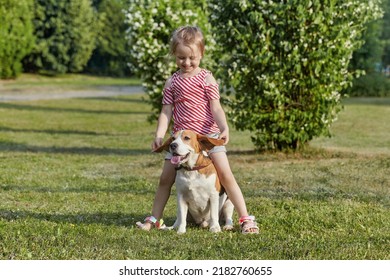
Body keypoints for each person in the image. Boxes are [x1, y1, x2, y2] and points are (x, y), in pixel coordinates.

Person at [136, 26, 259, 234]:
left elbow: (216, 107)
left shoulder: (207, 79)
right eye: (181, 58)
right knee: (165, 179)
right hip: (181, 141)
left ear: (201, 54)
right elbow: (166, 111)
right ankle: (154, 218)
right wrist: (159, 134)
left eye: (192, 57)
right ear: (174, 56)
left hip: (208, 137)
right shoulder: (172, 82)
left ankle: (245, 219)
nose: (186, 63)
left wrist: (223, 127)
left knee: (226, 175)